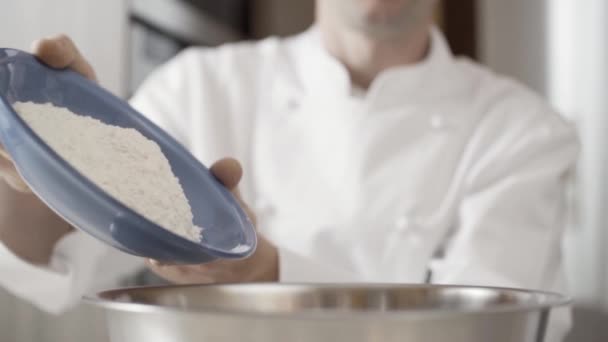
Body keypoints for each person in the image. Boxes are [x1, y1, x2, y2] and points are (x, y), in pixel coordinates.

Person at [0, 0, 578, 340]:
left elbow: (479, 333)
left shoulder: (521, 129)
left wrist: (265, 276)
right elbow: (61, 259)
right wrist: (37, 163)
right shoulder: (200, 85)